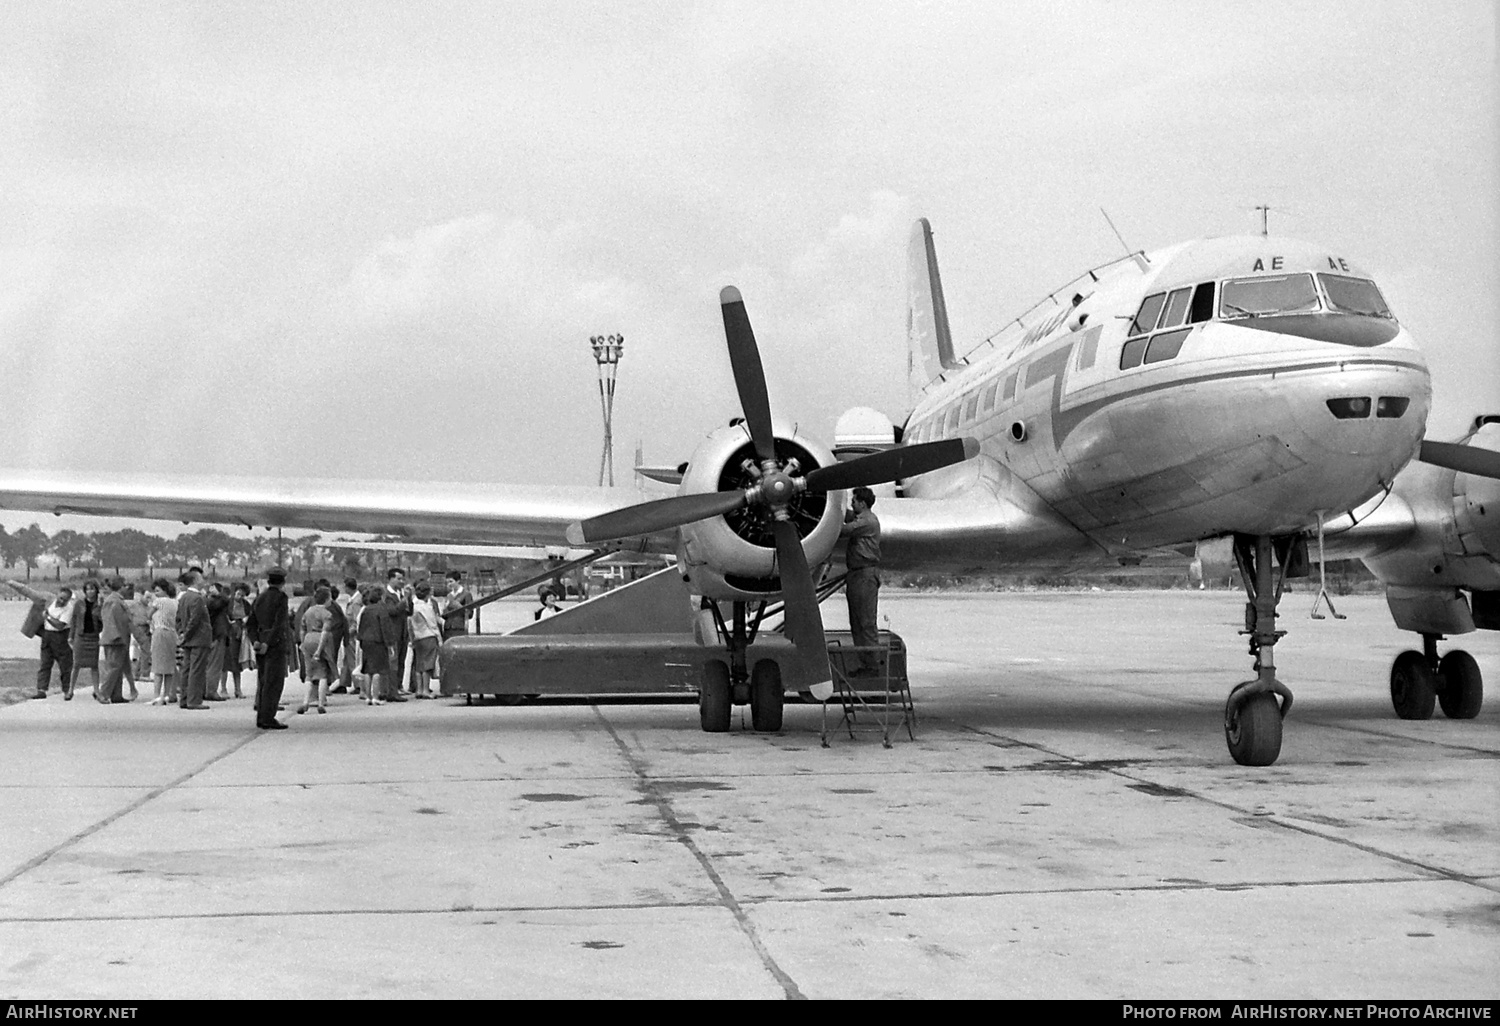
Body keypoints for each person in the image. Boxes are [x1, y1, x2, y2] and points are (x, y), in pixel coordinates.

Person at [5, 580, 76, 699]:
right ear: (57, 594)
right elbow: (29, 592)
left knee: (65, 665)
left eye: (65, 599)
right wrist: (12, 583)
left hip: (61, 637)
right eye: (60, 598)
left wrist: (47, 616)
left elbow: (59, 625)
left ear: (69, 600)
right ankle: (41, 690)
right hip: (47, 635)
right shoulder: (48, 599)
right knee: (45, 663)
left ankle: (66, 690)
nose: (61, 601)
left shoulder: (69, 608)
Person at [840, 486, 884, 676]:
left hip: (865, 575)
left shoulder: (867, 521)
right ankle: (865, 663)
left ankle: (872, 665)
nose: (852, 503)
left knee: (866, 621)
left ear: (863, 503)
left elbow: (843, 530)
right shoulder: (863, 519)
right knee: (857, 622)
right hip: (857, 575)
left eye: (855, 500)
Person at [246, 568, 293, 729]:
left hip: (260, 641)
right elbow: (279, 624)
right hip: (275, 644)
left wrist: (256, 641)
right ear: (282, 582)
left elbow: (250, 623)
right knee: (274, 682)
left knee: (263, 680)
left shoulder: (260, 597)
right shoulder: (281, 598)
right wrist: (269, 642)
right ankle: (268, 717)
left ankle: (261, 715)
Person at [174, 569, 212, 710]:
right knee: (197, 670)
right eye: (201, 578)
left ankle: (184, 698)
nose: (203, 580)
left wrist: (181, 633)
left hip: (189, 639)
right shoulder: (197, 598)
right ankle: (194, 700)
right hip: (198, 638)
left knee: (187, 669)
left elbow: (178, 618)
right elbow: (195, 620)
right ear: (195, 580)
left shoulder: (183, 597)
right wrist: (187, 633)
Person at [297, 586, 334, 714]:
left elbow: (302, 629)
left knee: (309, 673)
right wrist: (319, 649)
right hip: (319, 639)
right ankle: (321, 702)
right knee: (323, 672)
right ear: (327, 599)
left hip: (308, 638)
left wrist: (302, 643)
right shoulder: (327, 614)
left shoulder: (308, 612)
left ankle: (305, 701)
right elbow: (325, 632)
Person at [97, 577, 134, 704]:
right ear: (121, 586)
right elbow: (111, 620)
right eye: (125, 586)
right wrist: (116, 636)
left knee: (118, 667)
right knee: (114, 667)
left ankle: (116, 694)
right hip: (115, 638)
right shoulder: (114, 601)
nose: (126, 588)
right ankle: (103, 693)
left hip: (117, 638)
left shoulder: (115, 600)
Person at [358, 585, 395, 705]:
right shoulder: (381, 610)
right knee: (377, 670)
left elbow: (361, 627)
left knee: (368, 670)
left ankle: (367, 696)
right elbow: (385, 628)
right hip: (378, 641)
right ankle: (375, 696)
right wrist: (390, 644)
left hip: (365, 640)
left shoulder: (366, 609)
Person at [70, 580, 104, 701]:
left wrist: (100, 605)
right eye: (88, 589)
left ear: (96, 591)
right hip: (81, 636)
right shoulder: (79, 604)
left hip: (93, 637)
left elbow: (103, 620)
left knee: (94, 665)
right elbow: (73, 620)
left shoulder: (99, 604)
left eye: (92, 589)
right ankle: (70, 690)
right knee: (76, 664)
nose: (90, 592)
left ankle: (97, 691)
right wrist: (71, 636)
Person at [408, 581, 443, 698]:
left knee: (419, 664)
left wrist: (412, 638)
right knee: (428, 665)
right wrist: (439, 638)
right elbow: (433, 624)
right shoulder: (426, 607)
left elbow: (409, 624)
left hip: (417, 636)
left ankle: (418, 689)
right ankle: (425, 690)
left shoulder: (413, 606)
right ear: (428, 594)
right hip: (428, 636)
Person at [381, 568, 412, 700]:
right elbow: (392, 611)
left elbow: (409, 611)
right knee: (392, 663)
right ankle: (391, 691)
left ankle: (398, 686)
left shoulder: (400, 594)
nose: (401, 581)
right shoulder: (387, 595)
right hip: (393, 633)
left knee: (401, 661)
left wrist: (408, 599)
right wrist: (404, 599)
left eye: (402, 579)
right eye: (398, 579)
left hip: (403, 632)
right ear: (391, 579)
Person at [148, 579, 179, 705]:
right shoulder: (175, 602)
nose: (155, 593)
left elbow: (148, 614)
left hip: (160, 632)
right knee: (169, 666)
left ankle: (156, 695)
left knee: (158, 665)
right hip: (172, 633)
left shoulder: (159, 601)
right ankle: (167, 694)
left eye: (157, 590)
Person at [334, 578, 362, 694]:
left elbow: (356, 620)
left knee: (352, 660)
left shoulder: (356, 602)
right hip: (349, 634)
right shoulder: (353, 600)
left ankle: (358, 685)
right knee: (347, 659)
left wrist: (349, 632)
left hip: (352, 635)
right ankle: (343, 682)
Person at [205, 582, 231, 700]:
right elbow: (225, 600)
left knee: (210, 664)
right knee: (215, 665)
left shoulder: (207, 601)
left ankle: (207, 689)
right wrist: (218, 594)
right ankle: (211, 691)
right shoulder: (212, 602)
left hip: (212, 634)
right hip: (217, 634)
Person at [226, 582, 252, 698]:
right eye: (238, 594)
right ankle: (223, 688)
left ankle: (238, 689)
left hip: (241, 634)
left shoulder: (246, 604)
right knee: (226, 661)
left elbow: (251, 615)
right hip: (229, 633)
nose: (240, 597)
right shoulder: (228, 603)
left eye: (243, 595)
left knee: (237, 661)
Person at [128, 583, 154, 683]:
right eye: (146, 597)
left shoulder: (149, 606)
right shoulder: (135, 606)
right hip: (139, 628)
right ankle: (145, 673)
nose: (148, 600)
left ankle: (137, 673)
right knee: (146, 648)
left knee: (143, 650)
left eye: (149, 598)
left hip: (146, 628)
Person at [441, 570, 472, 641]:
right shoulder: (449, 595)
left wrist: (459, 606)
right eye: (447, 582)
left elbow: (470, 614)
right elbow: (444, 615)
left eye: (451, 581)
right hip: (448, 627)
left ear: (458, 581)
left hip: (459, 627)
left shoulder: (466, 594)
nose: (449, 584)